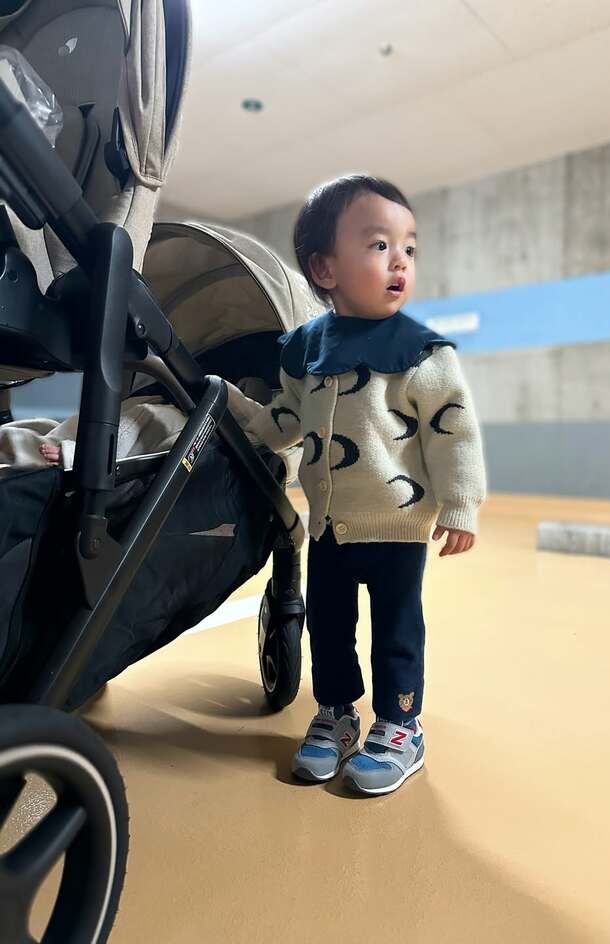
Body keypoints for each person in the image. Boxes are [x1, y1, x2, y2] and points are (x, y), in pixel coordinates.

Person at [228, 175, 487, 796]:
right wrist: (237, 415)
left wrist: (461, 503)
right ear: (325, 269)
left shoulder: (423, 353)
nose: (400, 261)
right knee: (329, 626)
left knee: (397, 628)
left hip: (398, 522)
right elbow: (288, 420)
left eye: (409, 248)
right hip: (329, 525)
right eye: (379, 245)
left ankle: (400, 725)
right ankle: (337, 714)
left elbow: (453, 431)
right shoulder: (307, 350)